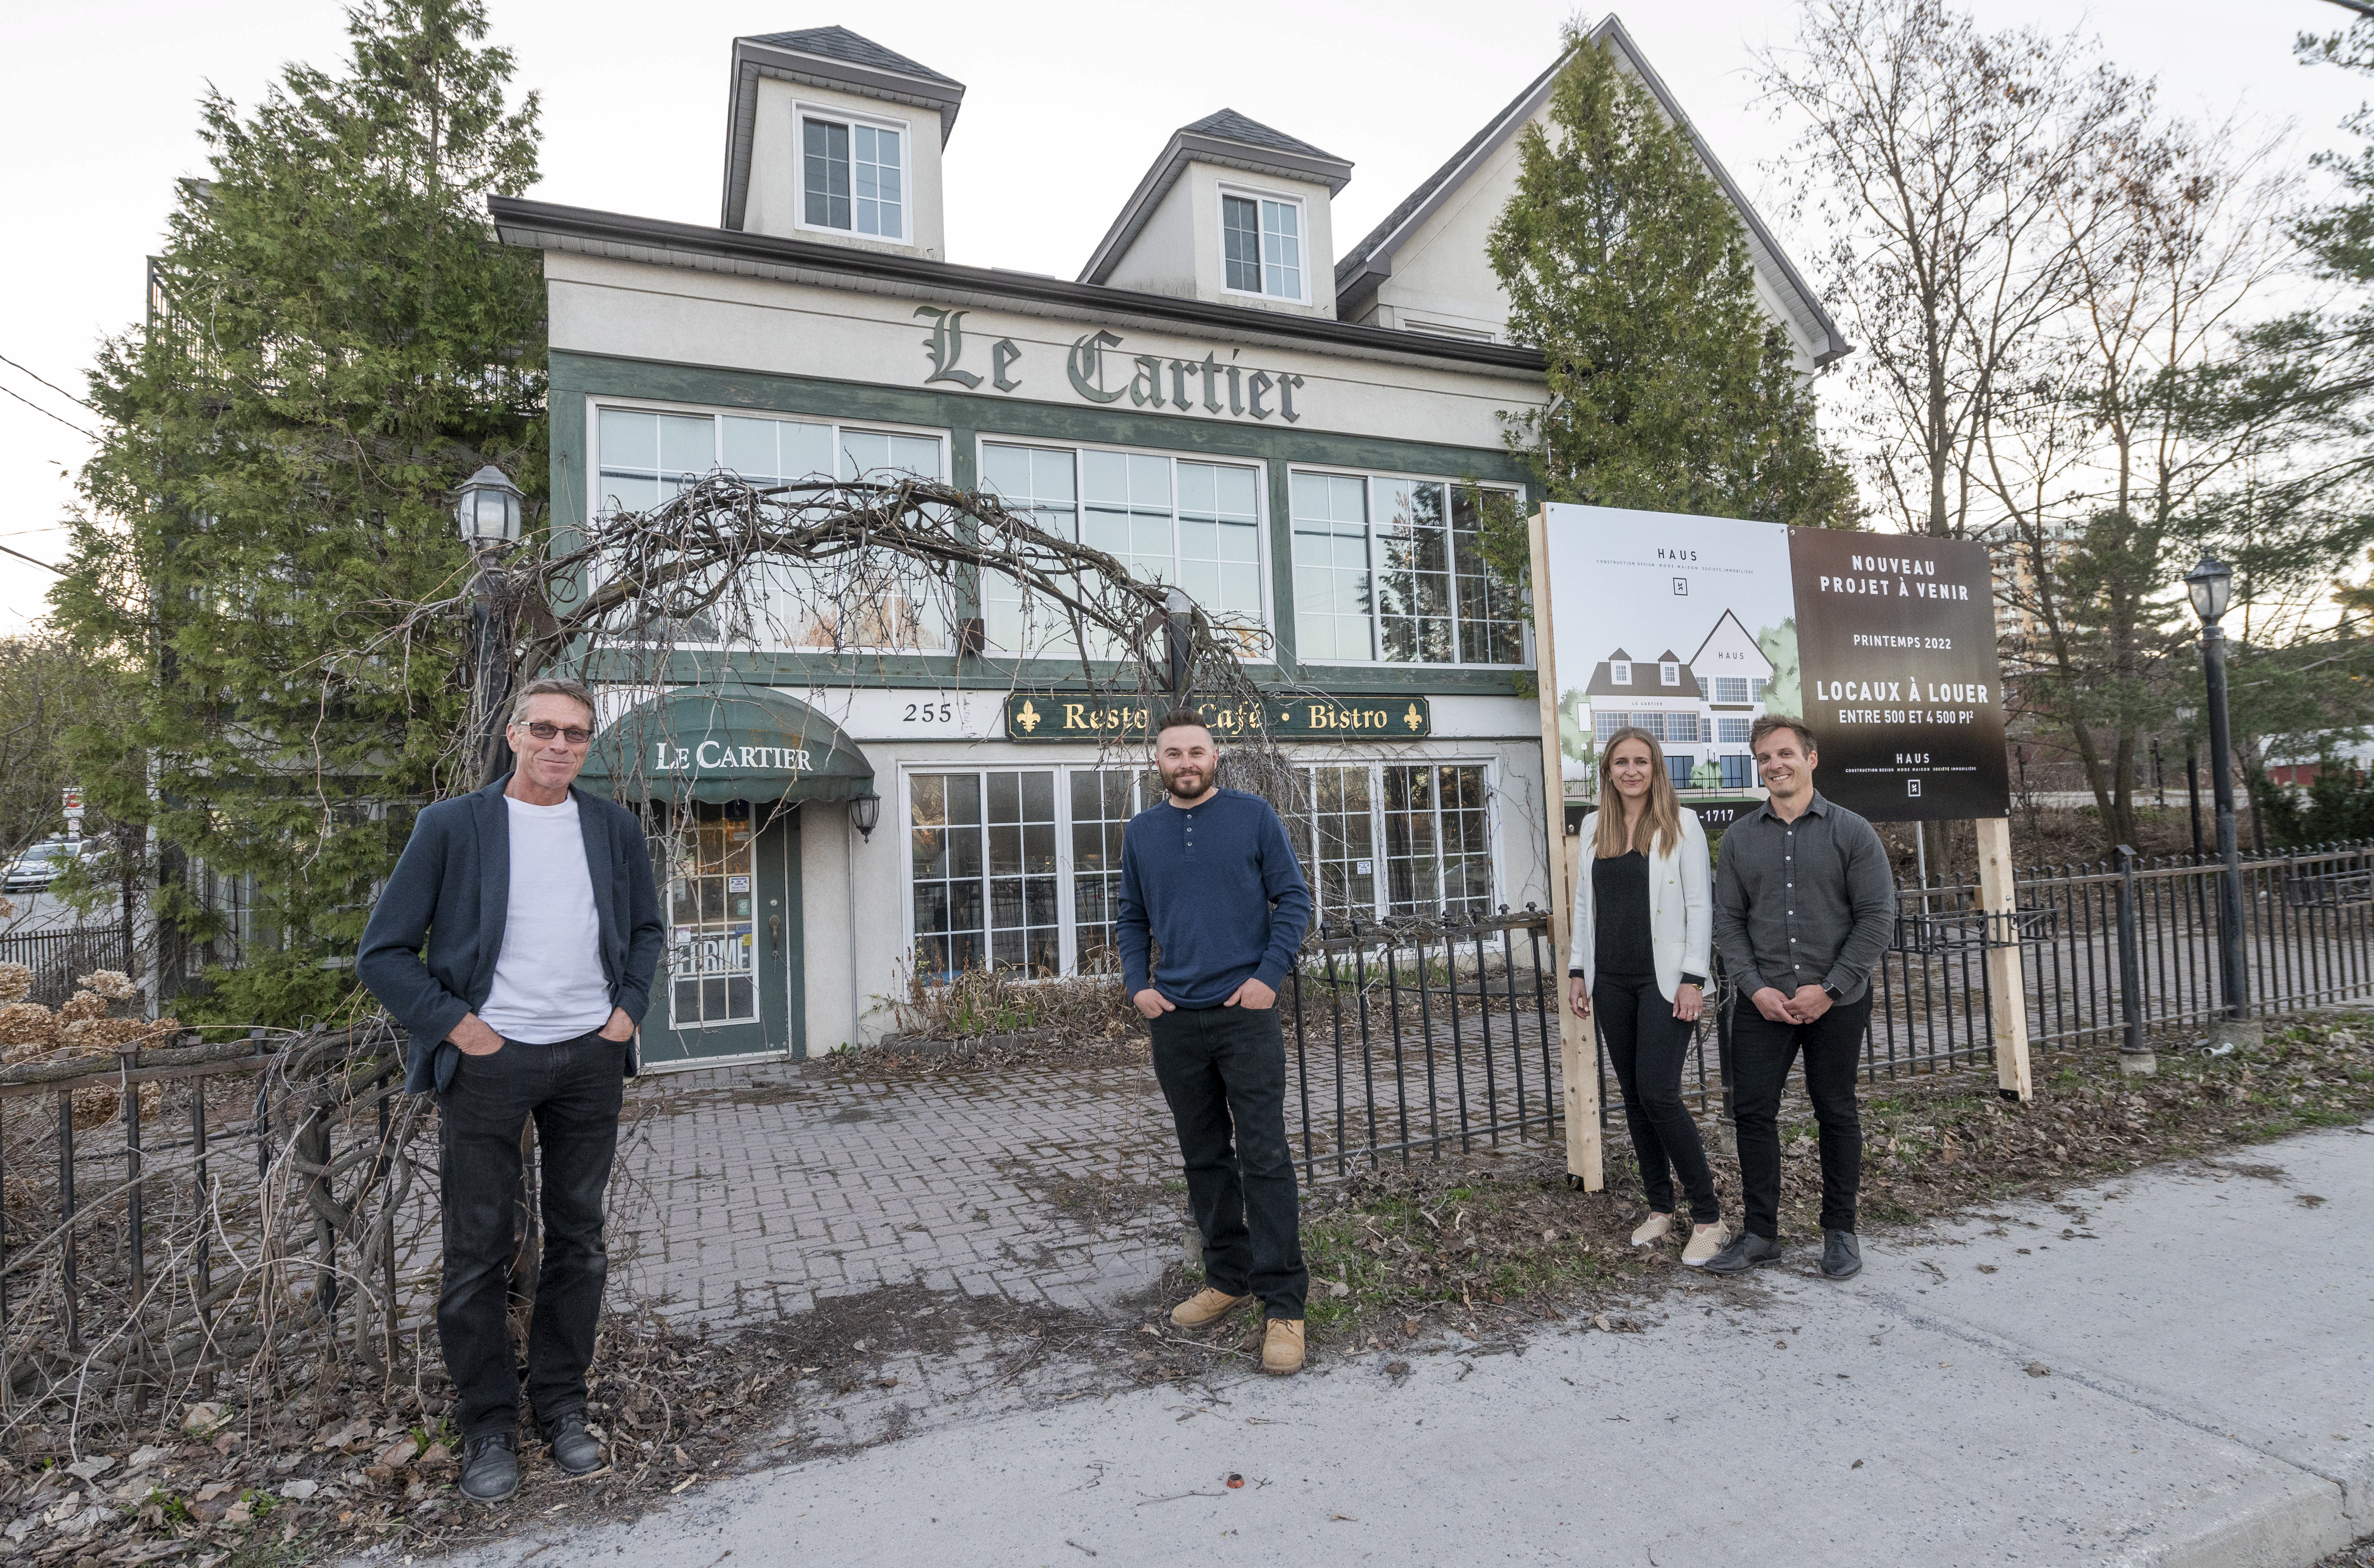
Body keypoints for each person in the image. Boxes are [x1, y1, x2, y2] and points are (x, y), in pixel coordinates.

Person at [357, 677, 665, 1502]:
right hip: (491, 1062)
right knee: (476, 1251)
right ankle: (487, 1424)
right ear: (513, 734)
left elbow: (645, 930)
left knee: (579, 1239)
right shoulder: (452, 827)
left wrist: (626, 1013)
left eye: (577, 733)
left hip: (588, 1059)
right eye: (545, 729)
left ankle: (562, 1406)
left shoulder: (611, 827)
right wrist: (461, 1029)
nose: (560, 745)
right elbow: (382, 951)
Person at [1117, 712, 1314, 1374]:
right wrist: (1136, 985)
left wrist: (1268, 977)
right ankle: (1228, 1278)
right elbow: (1132, 916)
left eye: (1196, 750)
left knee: (1264, 1157)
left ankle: (1285, 1304)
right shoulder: (1141, 832)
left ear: (1216, 755)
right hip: (1174, 1018)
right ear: (1158, 763)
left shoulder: (1254, 816)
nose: (1186, 761)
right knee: (1204, 1157)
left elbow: (1294, 900)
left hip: (1244, 1014)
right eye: (1173, 753)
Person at [1702, 716, 1895, 1281]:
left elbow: (1877, 919)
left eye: (1784, 753)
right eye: (1764, 757)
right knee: (1754, 1113)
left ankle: (1840, 1230)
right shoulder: (1741, 838)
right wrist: (1755, 988)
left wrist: (1831, 988)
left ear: (1811, 759)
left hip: (1837, 1000)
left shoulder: (1853, 832)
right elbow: (1729, 923)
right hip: (1765, 1005)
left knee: (1835, 1110)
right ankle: (1761, 1234)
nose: (1774, 765)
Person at [1566, 727, 1728, 1265]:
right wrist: (1577, 970)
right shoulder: (1593, 826)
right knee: (1635, 1096)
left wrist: (1693, 978)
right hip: (1611, 980)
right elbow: (1586, 910)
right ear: (1608, 771)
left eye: (1641, 761)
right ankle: (1660, 1208)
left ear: (1656, 768)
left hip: (1664, 982)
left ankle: (1709, 1218)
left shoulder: (1682, 824)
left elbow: (1701, 908)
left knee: (1660, 1093)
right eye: (1620, 762)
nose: (1631, 770)